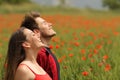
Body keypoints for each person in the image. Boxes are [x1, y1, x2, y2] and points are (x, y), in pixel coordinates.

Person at [20, 11, 60, 80]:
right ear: (36, 31)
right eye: (45, 23)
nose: (50, 24)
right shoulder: (40, 54)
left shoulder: (45, 52)